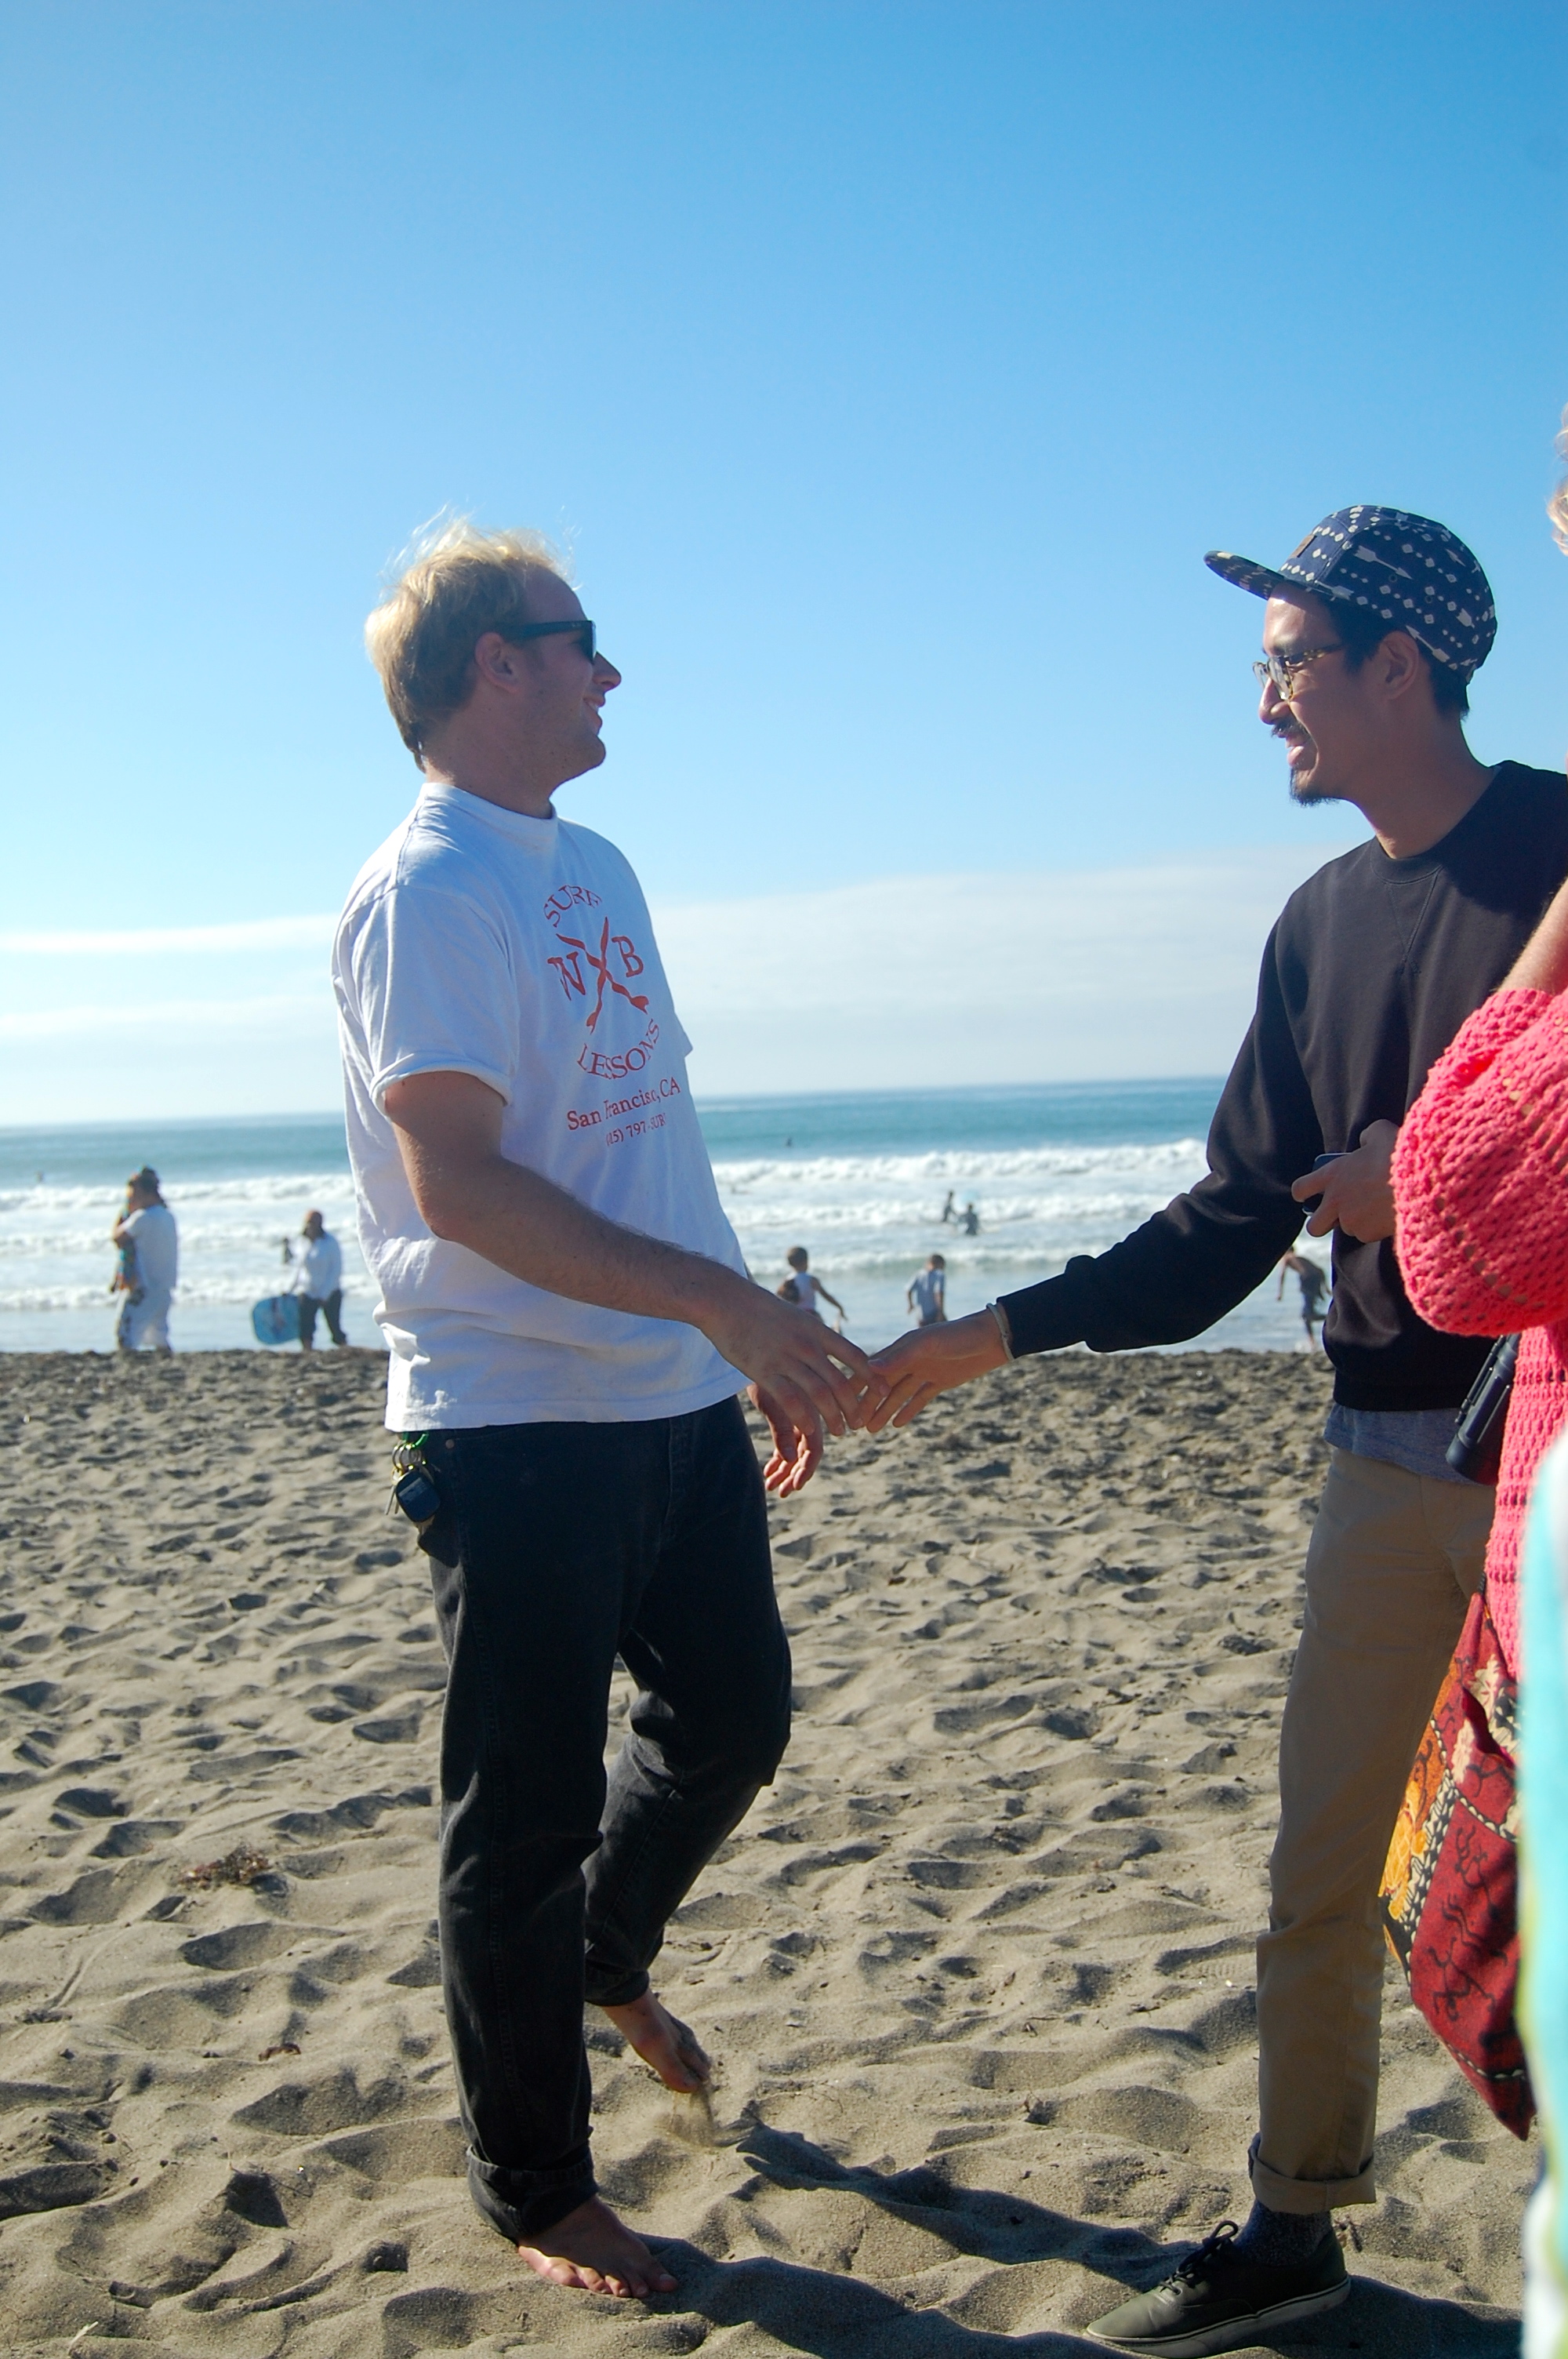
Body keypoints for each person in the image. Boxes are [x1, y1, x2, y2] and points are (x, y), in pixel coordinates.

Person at [867, 506, 1568, 2354]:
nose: (1261, 701)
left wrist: (1408, 1192)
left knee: (1552, 1885)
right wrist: (992, 1336)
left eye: (1287, 663)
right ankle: (1291, 2214)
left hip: (1544, 1465)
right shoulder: (1313, 920)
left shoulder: (1561, 852)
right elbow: (1217, 1226)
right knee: (1317, 1869)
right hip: (1372, 1451)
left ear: (1396, 670)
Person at [333, 522, 880, 2303]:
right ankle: (534, 2180)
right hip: (511, 1418)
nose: (610, 670)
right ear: (495, 662)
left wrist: (741, 1329)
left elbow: (642, 1142)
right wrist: (722, 1302)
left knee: (733, 1710)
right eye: (582, 641)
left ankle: (606, 1953)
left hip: (663, 1395)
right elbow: (468, 1184)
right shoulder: (428, 891)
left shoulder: (598, 863)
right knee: (523, 1809)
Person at [111, 1167, 177, 1353]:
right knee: (159, 1337)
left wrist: (124, 1212)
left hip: (144, 1288)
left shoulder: (142, 1218)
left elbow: (118, 1238)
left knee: (126, 1334)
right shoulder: (168, 1216)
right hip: (164, 1288)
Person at [287, 1209, 348, 1349]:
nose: (310, 1226)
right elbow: (298, 1268)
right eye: (308, 1223)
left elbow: (336, 1270)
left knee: (335, 1328)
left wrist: (325, 1294)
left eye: (313, 1223)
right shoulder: (301, 1242)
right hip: (308, 1291)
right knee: (305, 1328)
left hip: (330, 1292)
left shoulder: (330, 1242)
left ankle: (345, 1350)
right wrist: (290, 1289)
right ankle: (307, 1352)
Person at [777, 1245, 844, 1328]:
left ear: (790, 1263)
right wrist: (839, 1307)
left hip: (793, 1318)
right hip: (811, 1317)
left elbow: (779, 1299)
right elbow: (826, 1296)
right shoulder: (811, 1280)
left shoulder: (787, 1281)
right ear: (806, 1261)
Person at [1276, 1249, 1328, 1343]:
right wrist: (1326, 1287)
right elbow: (1320, 1270)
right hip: (1316, 1277)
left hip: (1307, 1278)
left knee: (1306, 1316)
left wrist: (1280, 1293)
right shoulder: (1301, 1258)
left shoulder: (1287, 1257)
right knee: (1309, 1313)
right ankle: (1331, 1319)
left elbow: (1282, 1274)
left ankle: (1312, 1342)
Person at [908, 1253, 947, 1325]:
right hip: (934, 1314)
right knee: (948, 1334)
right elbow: (938, 1293)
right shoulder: (939, 1274)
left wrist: (911, 1305)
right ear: (940, 1264)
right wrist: (940, 1312)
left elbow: (909, 1290)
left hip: (921, 1316)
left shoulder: (919, 1274)